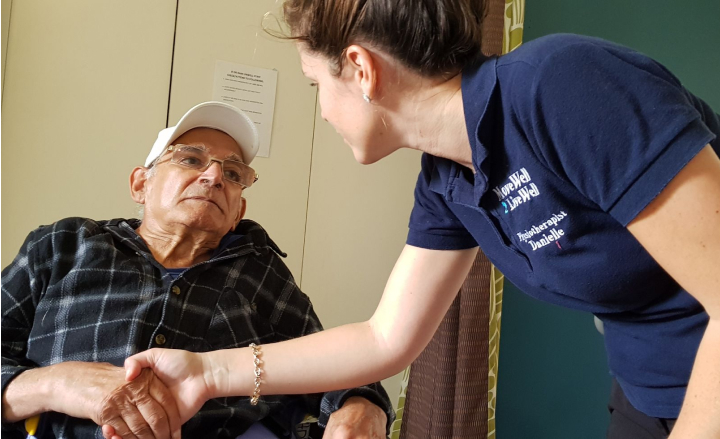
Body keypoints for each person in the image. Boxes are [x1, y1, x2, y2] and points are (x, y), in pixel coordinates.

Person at [122, 1, 720, 438]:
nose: (322, 112)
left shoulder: (558, 84)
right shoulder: (445, 181)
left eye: (315, 85)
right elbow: (385, 338)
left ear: (360, 69)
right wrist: (205, 373)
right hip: (648, 391)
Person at [1, 101, 393, 439]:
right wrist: (56, 384)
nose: (215, 176)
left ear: (238, 212)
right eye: (190, 159)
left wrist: (362, 405)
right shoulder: (63, 245)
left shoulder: (259, 272)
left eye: (233, 173)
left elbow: (332, 364)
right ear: (141, 185)